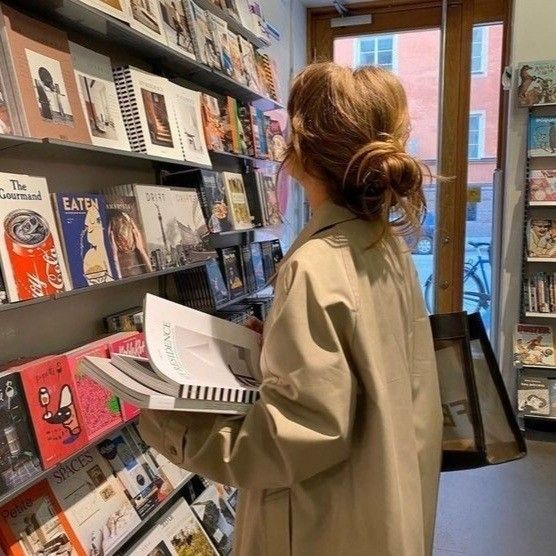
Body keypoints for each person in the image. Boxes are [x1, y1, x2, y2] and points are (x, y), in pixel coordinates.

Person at [140, 62, 443, 556]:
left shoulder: (316, 265)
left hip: (320, 527)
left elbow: (299, 435)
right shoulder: (386, 248)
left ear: (302, 149)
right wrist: (275, 351)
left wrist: (172, 425)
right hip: (382, 507)